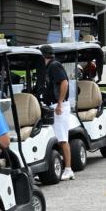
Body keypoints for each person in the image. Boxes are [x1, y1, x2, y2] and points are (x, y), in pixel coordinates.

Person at [40, 44, 75, 180]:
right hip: (52, 105)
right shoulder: (49, 67)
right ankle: (61, 166)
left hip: (58, 106)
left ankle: (68, 169)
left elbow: (64, 82)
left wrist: (59, 104)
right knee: (56, 137)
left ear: (44, 56)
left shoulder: (55, 66)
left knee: (62, 138)